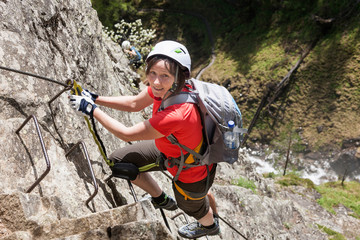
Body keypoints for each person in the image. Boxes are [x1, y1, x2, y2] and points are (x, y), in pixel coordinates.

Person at [69, 40, 220, 239]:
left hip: (191, 171)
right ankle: (161, 198)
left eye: (164, 75)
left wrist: (91, 109)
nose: (156, 82)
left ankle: (209, 225)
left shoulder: (178, 113)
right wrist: (95, 98)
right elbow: (134, 103)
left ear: (179, 76)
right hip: (172, 152)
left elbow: (126, 133)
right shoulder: (169, 89)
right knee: (119, 162)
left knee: (192, 208)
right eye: (152, 74)